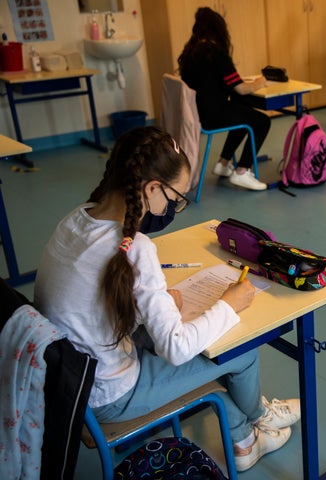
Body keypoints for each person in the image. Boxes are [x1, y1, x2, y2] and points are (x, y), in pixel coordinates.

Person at [33, 127, 300, 473]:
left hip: (74, 384)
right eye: (175, 199)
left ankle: (245, 439)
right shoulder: (137, 249)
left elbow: (88, 309)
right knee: (237, 351)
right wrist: (229, 303)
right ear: (152, 188)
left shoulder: (75, 219)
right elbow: (175, 348)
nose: (174, 207)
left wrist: (151, 307)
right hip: (108, 398)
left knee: (200, 354)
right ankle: (260, 417)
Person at [178, 7, 270, 191]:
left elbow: (216, 83)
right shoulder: (216, 53)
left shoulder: (190, 52)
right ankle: (243, 170)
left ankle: (223, 162)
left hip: (198, 112)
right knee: (262, 121)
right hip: (212, 116)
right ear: (219, 29)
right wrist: (260, 82)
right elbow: (242, 89)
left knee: (242, 109)